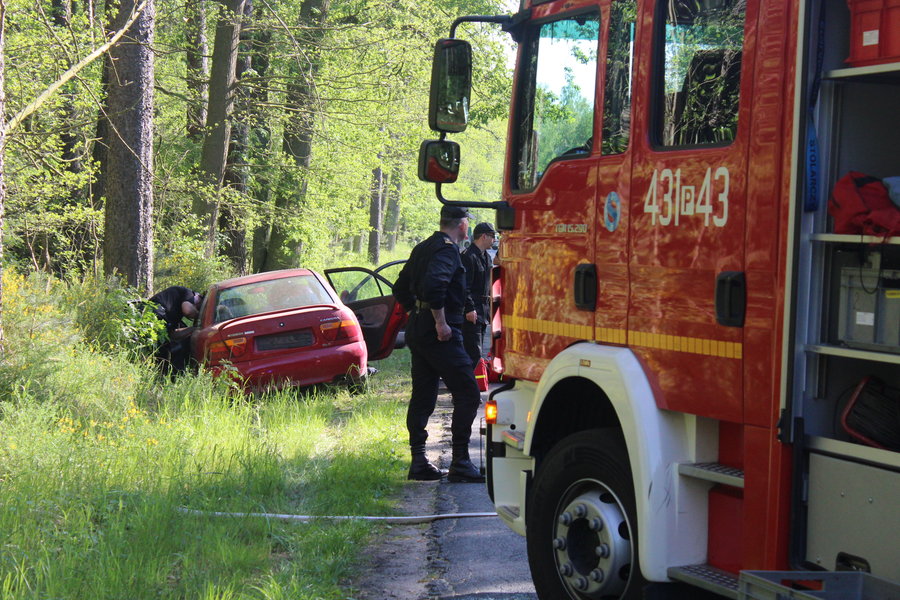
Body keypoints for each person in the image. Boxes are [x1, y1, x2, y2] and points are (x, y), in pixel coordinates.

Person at [394, 205, 485, 483]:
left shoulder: (424, 247)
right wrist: (440, 322)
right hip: (440, 333)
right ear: (461, 225)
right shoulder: (446, 250)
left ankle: (419, 461)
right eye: (467, 223)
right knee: (468, 392)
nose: (468, 227)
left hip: (419, 331)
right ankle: (460, 461)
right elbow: (436, 285)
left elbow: (399, 287)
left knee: (423, 395)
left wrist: (415, 312)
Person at [461, 222, 496, 368]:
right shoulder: (468, 257)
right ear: (484, 236)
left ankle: (473, 382)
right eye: (492, 236)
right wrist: (469, 308)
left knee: (478, 349)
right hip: (472, 310)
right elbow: (464, 286)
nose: (494, 240)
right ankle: (466, 384)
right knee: (473, 350)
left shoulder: (486, 257)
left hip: (483, 310)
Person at [148, 286, 201, 374]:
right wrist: (201, 316)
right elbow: (188, 310)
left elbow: (173, 335)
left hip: (157, 320)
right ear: (198, 298)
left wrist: (194, 329)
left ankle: (166, 377)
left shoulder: (175, 312)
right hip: (155, 314)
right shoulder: (188, 293)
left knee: (164, 351)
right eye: (198, 307)